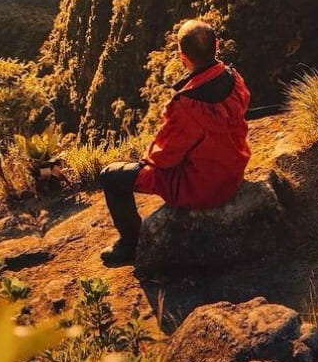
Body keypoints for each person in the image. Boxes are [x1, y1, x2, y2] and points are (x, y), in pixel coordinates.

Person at [99, 19, 251, 267]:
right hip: (234, 170)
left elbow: (163, 157)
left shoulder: (186, 104)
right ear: (217, 44)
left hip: (202, 187)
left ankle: (131, 245)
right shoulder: (234, 78)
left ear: (182, 56)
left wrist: (146, 159)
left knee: (111, 176)